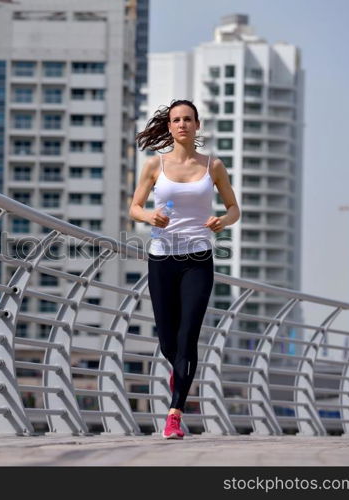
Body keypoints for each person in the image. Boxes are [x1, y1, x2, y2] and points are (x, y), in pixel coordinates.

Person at [129, 99, 240, 439]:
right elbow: (134, 207)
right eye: (176, 120)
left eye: (188, 119)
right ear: (169, 126)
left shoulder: (213, 166)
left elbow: (234, 208)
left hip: (198, 259)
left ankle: (174, 413)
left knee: (188, 335)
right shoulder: (154, 166)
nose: (182, 125)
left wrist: (222, 220)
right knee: (168, 340)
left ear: (197, 125)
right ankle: (177, 369)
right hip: (162, 258)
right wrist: (150, 216)